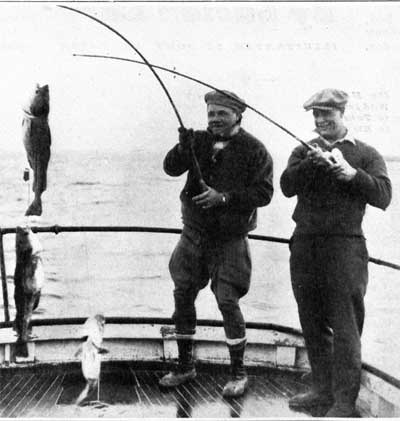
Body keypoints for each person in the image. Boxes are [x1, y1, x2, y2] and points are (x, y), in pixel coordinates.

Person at [280, 88, 392, 417]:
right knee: (311, 322)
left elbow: (384, 196)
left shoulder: (366, 153)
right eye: (315, 115)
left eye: (326, 114)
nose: (320, 121)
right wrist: (310, 166)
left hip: (345, 247)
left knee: (346, 327)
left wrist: (350, 174)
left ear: (342, 113)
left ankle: (344, 403)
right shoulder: (303, 150)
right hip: (305, 245)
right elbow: (287, 186)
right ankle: (321, 391)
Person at [159, 90, 274, 397]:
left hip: (229, 240)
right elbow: (170, 168)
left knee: (227, 301)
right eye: (211, 114)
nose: (215, 119)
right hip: (193, 234)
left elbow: (264, 194)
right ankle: (185, 366)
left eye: (221, 114)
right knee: (182, 294)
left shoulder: (255, 150)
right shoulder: (197, 140)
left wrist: (222, 197)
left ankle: (238, 373)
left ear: (238, 115)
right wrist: (182, 148)